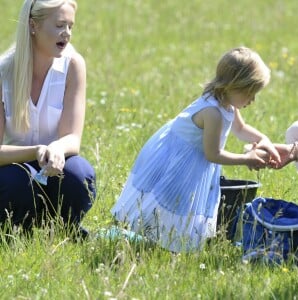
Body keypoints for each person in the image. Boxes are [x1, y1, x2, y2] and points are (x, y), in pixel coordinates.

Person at [111, 46, 281, 253]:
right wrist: (247, 158)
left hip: (192, 159)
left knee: (179, 203)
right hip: (180, 159)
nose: (252, 100)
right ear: (233, 85)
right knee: (170, 200)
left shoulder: (228, 103)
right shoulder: (212, 113)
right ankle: (154, 242)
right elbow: (213, 154)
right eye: (249, 93)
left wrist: (264, 140)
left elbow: (241, 129)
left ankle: (165, 244)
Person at [0, 0, 96, 237]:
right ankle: (20, 230)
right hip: (15, 168)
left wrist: (55, 150)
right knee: (14, 184)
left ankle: (64, 228)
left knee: (79, 175)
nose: (67, 33)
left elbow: (72, 138)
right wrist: (35, 151)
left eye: (71, 26)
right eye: (60, 25)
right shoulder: (3, 71)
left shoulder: (73, 65)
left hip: (57, 162)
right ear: (33, 26)